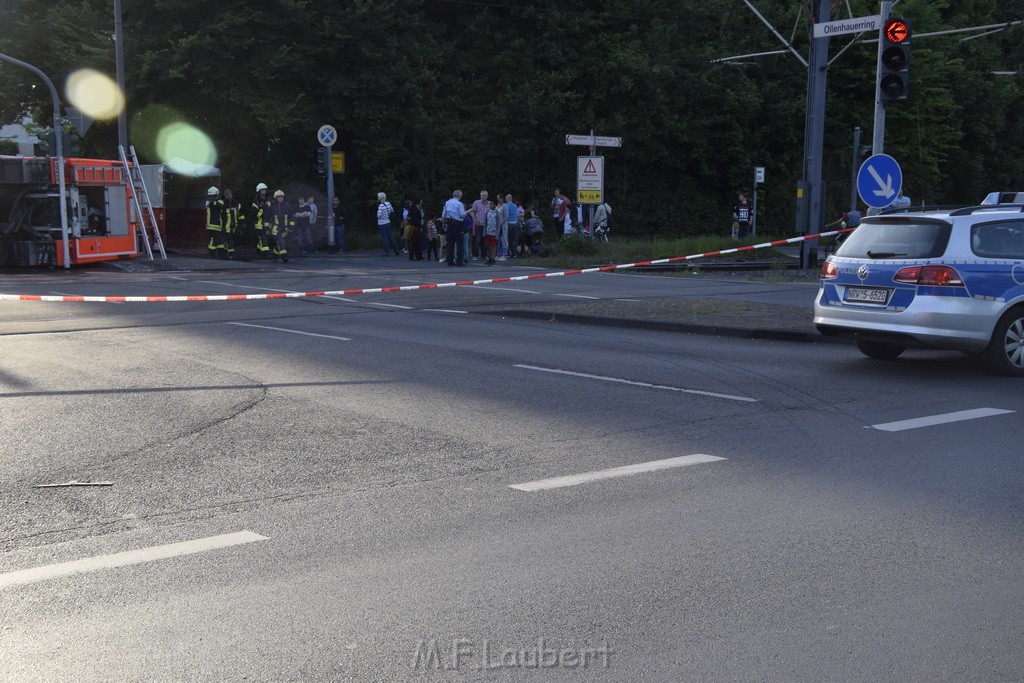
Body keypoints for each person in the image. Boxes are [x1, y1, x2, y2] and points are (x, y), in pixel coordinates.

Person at [442, 189, 467, 266]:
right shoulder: (459, 204)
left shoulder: (447, 203)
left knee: (450, 243)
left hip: (449, 224)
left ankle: (450, 261)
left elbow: (443, 215)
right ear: (460, 196)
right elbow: (462, 215)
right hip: (458, 224)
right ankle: (459, 261)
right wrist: (467, 212)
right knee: (459, 243)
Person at [265, 190, 292, 263]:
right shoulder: (271, 207)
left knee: (281, 243)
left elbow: (291, 217)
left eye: (282, 197)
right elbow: (267, 219)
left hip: (285, 229)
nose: (281, 198)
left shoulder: (287, 206)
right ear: (276, 198)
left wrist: (291, 228)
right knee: (281, 241)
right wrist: (267, 229)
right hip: (275, 229)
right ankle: (284, 257)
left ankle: (274, 255)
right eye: (279, 197)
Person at [248, 183, 271, 260]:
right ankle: (266, 254)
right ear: (259, 191)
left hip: (267, 223)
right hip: (259, 223)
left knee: (264, 238)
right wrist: (263, 210)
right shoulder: (256, 201)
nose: (264, 191)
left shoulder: (267, 199)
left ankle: (258, 251)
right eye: (262, 190)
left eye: (265, 189)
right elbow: (255, 213)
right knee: (263, 238)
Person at [205, 186, 227, 259]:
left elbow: (221, 205)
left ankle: (222, 255)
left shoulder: (217, 201)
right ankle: (213, 255)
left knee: (220, 241)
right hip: (213, 225)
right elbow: (214, 205)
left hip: (217, 225)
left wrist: (212, 201)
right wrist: (212, 201)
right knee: (213, 241)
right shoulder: (210, 202)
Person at [470, 190, 489, 260]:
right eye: (482, 195)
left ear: (487, 196)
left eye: (485, 195)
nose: (483, 197)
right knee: (477, 240)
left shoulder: (489, 203)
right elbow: (472, 211)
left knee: (485, 241)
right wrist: (474, 220)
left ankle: (484, 255)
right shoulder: (476, 202)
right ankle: (475, 255)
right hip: (478, 224)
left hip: (486, 225)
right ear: (480, 196)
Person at [222, 188, 239, 259]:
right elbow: (222, 215)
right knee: (228, 238)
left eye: (230, 194)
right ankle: (230, 253)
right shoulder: (223, 203)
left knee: (230, 239)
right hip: (226, 225)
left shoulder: (235, 202)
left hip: (234, 224)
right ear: (225, 195)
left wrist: (242, 222)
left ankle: (227, 252)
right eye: (228, 195)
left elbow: (239, 212)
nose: (229, 196)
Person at [483, 198, 500, 265]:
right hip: (488, 232)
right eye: (490, 204)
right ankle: (489, 258)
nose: (490, 205)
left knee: (493, 246)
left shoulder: (497, 213)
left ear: (495, 205)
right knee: (488, 245)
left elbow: (498, 224)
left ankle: (493, 258)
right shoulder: (487, 212)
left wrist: (497, 234)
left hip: (494, 233)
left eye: (492, 204)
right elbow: (485, 223)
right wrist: (484, 232)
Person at [493, 193, 508, 261]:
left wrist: (500, 223)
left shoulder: (505, 206)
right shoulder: (497, 206)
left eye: (499, 198)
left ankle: (504, 254)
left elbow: (506, 216)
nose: (498, 199)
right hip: (497, 226)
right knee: (498, 240)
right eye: (498, 198)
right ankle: (499, 254)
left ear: (502, 199)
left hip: (503, 226)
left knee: (504, 240)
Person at [505, 194, 519, 259]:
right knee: (514, 239)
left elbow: (506, 215)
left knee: (507, 238)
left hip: (508, 223)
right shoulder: (515, 205)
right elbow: (517, 214)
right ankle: (514, 253)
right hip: (515, 223)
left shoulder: (506, 206)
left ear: (507, 199)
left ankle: (507, 253)